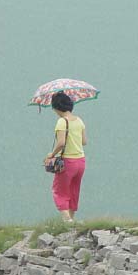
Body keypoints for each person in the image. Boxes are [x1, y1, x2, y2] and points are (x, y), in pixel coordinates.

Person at [44, 92, 87, 223]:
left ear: (56, 107)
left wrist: (51, 154)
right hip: (81, 161)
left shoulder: (62, 122)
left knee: (59, 191)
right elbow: (84, 141)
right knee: (74, 190)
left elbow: (61, 143)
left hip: (67, 162)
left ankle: (67, 220)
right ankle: (71, 219)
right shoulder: (79, 120)